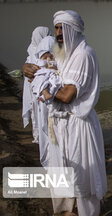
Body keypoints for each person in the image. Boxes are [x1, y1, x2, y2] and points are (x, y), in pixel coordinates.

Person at [23, 10, 107, 216]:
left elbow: (69, 95)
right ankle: (64, 208)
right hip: (58, 122)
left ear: (74, 29)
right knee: (59, 166)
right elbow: (46, 70)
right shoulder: (61, 51)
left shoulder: (83, 54)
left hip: (77, 123)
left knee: (82, 170)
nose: (58, 33)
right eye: (57, 28)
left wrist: (45, 87)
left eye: (63, 28)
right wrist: (29, 70)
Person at [29, 35, 60, 167]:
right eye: (46, 55)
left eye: (51, 55)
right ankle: (51, 160)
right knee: (48, 131)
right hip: (45, 104)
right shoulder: (35, 64)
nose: (49, 58)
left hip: (50, 104)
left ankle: (55, 160)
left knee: (52, 133)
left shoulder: (40, 63)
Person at [22, 26, 52, 143]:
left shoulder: (30, 55)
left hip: (35, 92)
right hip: (43, 93)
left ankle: (39, 137)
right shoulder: (46, 52)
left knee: (38, 115)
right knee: (45, 116)